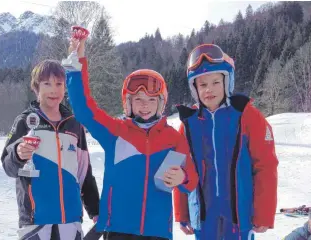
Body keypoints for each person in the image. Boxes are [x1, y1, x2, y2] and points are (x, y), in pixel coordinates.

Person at [63, 36, 199, 240]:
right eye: (138, 99)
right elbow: (84, 109)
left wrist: (183, 177)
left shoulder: (173, 138)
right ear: (128, 103)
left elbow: (192, 179)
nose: (145, 105)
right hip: (118, 229)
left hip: (157, 231)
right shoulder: (115, 132)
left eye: (151, 100)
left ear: (161, 103)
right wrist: (77, 63)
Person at [173, 44, 279, 240]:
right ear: (194, 88)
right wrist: (182, 212)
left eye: (215, 82)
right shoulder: (188, 124)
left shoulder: (247, 116)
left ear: (227, 82)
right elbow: (179, 170)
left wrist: (263, 213)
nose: (209, 90)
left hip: (239, 217)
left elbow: (265, 165)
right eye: (202, 85)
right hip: (204, 217)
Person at [1, 59, 100, 240]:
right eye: (46, 84)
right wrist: (18, 153)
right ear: (36, 88)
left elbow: (85, 172)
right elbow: (8, 166)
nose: (53, 89)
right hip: (35, 222)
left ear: (65, 88)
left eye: (59, 84)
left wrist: (95, 210)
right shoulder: (25, 121)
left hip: (70, 221)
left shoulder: (74, 124)